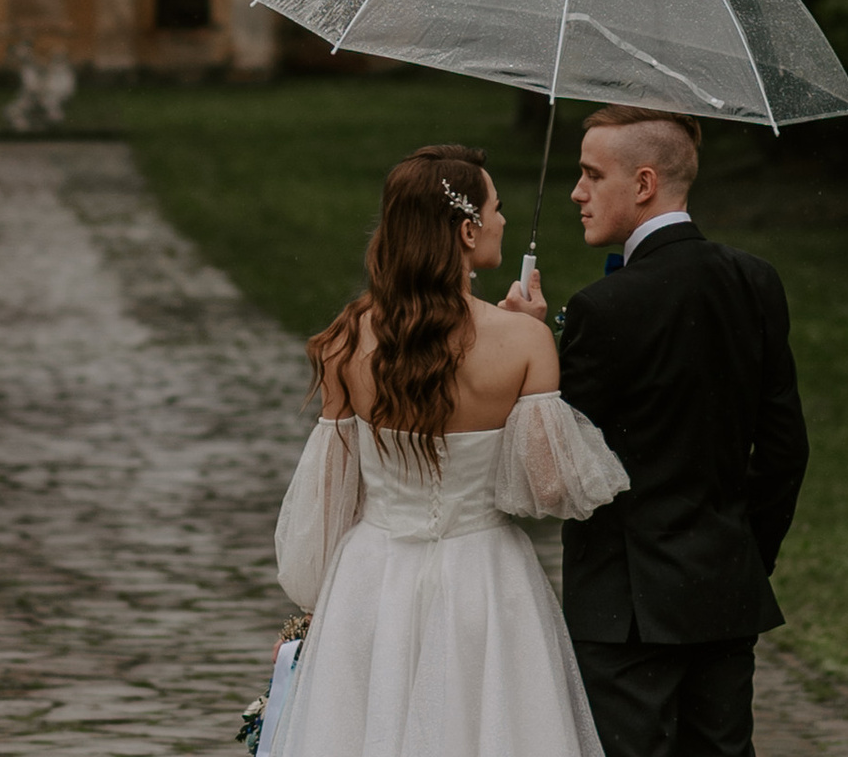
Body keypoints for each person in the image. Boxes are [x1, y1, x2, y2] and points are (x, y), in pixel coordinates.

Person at [266, 143, 629, 757]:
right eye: (497, 208)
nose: (504, 221)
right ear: (467, 230)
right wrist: (529, 331)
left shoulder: (346, 338)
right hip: (485, 581)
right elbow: (548, 490)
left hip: (371, 581)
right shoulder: (524, 342)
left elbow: (327, 495)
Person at [553, 105, 809, 757]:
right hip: (724, 588)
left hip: (623, 607)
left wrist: (530, 347)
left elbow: (559, 464)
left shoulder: (600, 308)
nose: (577, 193)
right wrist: (744, 555)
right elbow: (784, 449)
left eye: (590, 174)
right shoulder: (756, 282)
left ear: (643, 184)